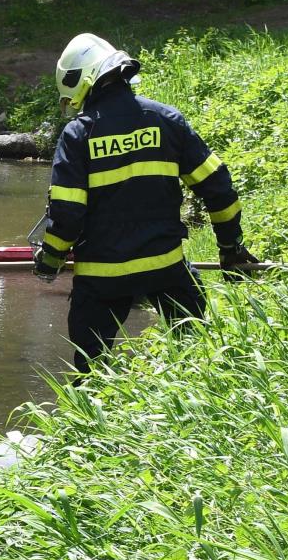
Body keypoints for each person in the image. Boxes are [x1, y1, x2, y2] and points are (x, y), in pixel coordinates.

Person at [32, 33, 259, 372]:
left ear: (82, 80)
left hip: (101, 280)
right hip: (164, 270)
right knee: (196, 358)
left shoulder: (79, 136)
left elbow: (67, 215)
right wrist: (231, 248)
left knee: (89, 375)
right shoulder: (166, 120)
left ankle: (93, 422)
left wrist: (49, 260)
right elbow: (220, 190)